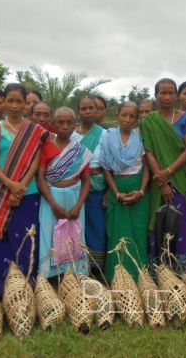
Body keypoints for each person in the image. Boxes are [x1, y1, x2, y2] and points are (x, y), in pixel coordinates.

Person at [0, 84, 49, 296]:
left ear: (26, 104)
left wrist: (20, 187)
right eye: (11, 101)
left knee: (25, 239)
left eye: (19, 101)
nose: (15, 106)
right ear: (5, 102)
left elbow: (35, 162)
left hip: (28, 192)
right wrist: (10, 185)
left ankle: (23, 289)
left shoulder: (35, 131)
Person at [140, 78, 186, 271]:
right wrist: (162, 182)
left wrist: (169, 172)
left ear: (176, 95)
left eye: (171, 92)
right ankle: (158, 271)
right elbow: (149, 152)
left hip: (180, 179)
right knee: (159, 222)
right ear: (156, 96)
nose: (167, 96)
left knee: (180, 222)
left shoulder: (185, 118)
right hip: (158, 183)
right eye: (162, 92)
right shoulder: (149, 121)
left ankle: (182, 271)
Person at [37, 107, 91, 278]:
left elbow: (86, 181)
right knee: (49, 234)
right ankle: (49, 275)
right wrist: (53, 203)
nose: (65, 126)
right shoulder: (45, 147)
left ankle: (75, 272)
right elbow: (40, 178)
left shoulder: (80, 150)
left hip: (75, 198)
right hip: (51, 198)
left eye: (69, 122)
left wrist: (78, 205)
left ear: (75, 125)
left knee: (74, 233)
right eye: (60, 122)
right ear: (54, 124)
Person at [101, 102, 150, 282]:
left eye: (132, 116)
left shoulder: (141, 137)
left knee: (138, 233)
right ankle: (116, 277)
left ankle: (139, 277)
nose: (127, 120)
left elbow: (146, 168)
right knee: (116, 234)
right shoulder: (108, 137)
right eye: (124, 115)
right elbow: (106, 169)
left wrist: (142, 191)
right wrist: (116, 193)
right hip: (117, 189)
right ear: (118, 116)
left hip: (138, 189)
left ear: (137, 119)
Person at [73, 97, 108, 271]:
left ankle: (97, 267)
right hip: (76, 187)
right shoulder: (71, 134)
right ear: (78, 111)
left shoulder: (104, 134)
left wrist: (109, 191)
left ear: (96, 110)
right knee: (79, 226)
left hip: (98, 187)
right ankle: (79, 265)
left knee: (97, 226)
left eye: (90, 108)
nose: (87, 111)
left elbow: (110, 164)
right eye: (83, 108)